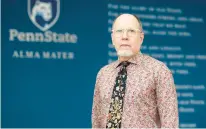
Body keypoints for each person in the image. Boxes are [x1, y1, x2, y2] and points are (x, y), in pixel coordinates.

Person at [92, 13, 179, 128]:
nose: (124, 36)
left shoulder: (159, 71)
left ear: (141, 38)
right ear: (112, 38)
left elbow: (170, 124)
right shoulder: (103, 74)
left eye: (131, 31)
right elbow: (96, 122)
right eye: (119, 31)